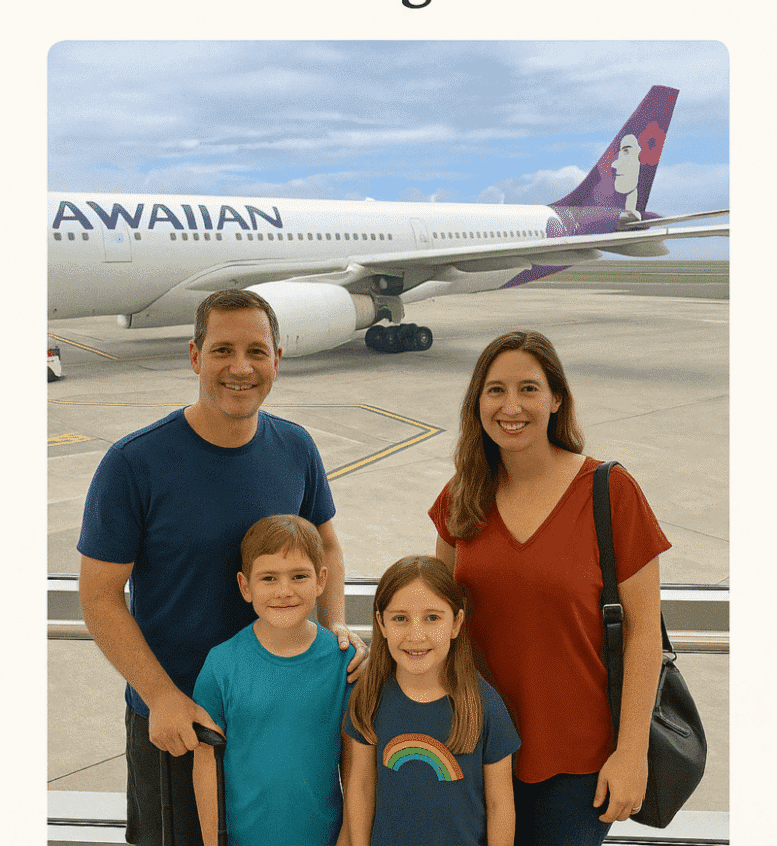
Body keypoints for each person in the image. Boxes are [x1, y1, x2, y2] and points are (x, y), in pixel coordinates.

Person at [78, 289, 367, 846]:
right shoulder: (134, 463)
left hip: (282, 717)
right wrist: (160, 697)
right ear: (194, 356)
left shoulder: (296, 447)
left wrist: (334, 625)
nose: (241, 367)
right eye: (222, 350)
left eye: (257, 351)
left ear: (278, 360)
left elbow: (325, 546)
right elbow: (99, 597)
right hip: (181, 721)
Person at [428, 330, 670, 846]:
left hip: (580, 763)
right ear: (477, 403)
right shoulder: (461, 497)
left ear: (556, 399)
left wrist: (632, 753)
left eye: (529, 389)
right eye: (495, 390)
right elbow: (438, 620)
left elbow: (645, 632)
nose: (510, 406)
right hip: (478, 751)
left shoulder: (610, 491)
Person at [192, 514, 354, 846]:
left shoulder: (344, 663)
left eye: (299, 576)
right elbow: (205, 763)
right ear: (245, 586)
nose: (284, 591)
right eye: (269, 578)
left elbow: (357, 769)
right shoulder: (221, 664)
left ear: (321, 580)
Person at [344, 555, 520, 846]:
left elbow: (501, 806)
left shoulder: (485, 706)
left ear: (456, 622)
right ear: (381, 623)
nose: (416, 635)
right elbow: (361, 787)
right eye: (400, 618)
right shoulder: (369, 696)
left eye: (432, 618)